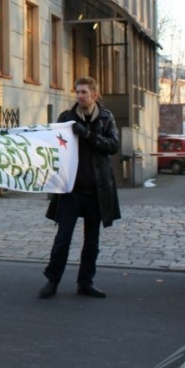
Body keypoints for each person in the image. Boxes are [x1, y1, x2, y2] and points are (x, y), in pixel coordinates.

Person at [39, 77, 120, 299]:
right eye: (77, 92)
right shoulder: (67, 118)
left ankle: (86, 282)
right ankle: (52, 280)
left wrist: (88, 134)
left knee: (92, 240)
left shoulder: (106, 117)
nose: (80, 96)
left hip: (97, 189)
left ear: (94, 94)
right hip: (71, 189)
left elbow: (113, 146)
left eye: (84, 92)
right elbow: (52, 145)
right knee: (63, 237)